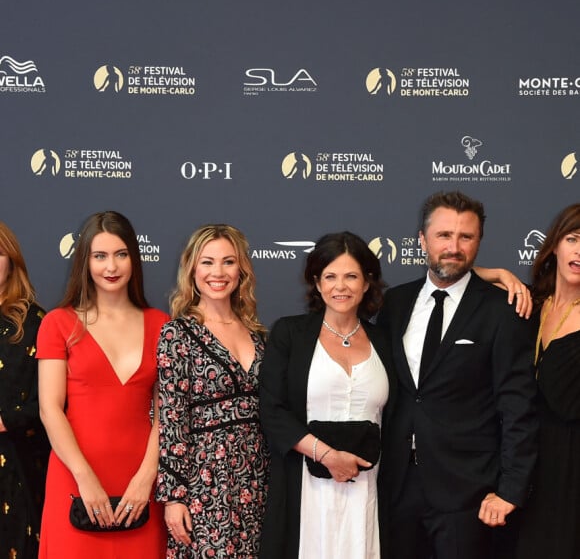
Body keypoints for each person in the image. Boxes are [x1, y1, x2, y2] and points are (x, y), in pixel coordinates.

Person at [376, 191, 538, 559]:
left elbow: (518, 407)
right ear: (422, 239)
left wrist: (511, 488)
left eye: (466, 237)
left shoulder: (503, 311)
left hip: (469, 492)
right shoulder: (394, 304)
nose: (454, 246)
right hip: (396, 486)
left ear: (479, 241)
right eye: (444, 235)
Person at [36, 211, 169, 558]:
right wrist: (84, 478)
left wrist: (147, 478)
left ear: (134, 260)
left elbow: (167, 412)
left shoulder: (161, 324)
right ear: (85, 261)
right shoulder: (58, 323)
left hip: (140, 482)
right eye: (100, 256)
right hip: (74, 475)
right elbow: (50, 410)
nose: (111, 266)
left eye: (121, 254)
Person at [259, 231, 395, 559]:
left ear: (367, 283)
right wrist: (327, 456)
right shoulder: (289, 333)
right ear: (317, 284)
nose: (341, 286)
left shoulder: (386, 340)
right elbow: (271, 409)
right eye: (330, 276)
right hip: (307, 487)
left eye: (351, 276)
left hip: (369, 492)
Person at [156, 224, 269, 558]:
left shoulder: (258, 332)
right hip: (206, 481)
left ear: (242, 270)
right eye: (207, 262)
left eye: (228, 262)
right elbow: (172, 418)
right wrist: (174, 497)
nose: (217, 272)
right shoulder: (177, 334)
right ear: (191, 268)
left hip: (259, 475)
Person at [515, 203, 580, 558]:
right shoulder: (528, 304)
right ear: (555, 244)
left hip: (570, 467)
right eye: (573, 238)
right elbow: (456, 273)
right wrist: (501, 274)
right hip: (524, 461)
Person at [0, 221, 50, 559]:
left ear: (12, 259)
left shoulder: (36, 322)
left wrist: (7, 420)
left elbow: (51, 402)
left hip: (15, 470)